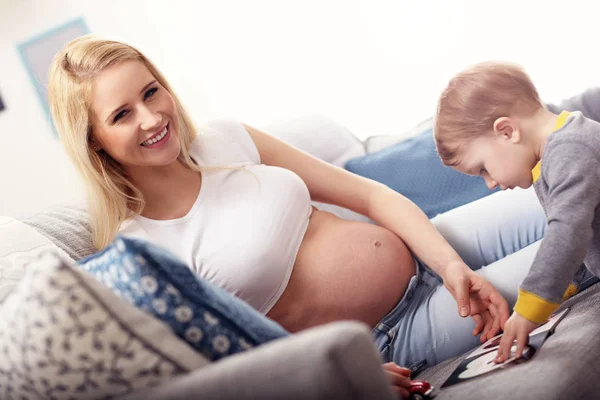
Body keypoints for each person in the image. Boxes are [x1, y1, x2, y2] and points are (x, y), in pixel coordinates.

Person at [48, 36, 546, 396]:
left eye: (151, 92)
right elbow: (222, 372)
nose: (152, 118)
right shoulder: (142, 253)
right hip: (394, 332)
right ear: (94, 140)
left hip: (431, 254)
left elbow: (371, 196)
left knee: (559, 196)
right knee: (570, 256)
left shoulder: (225, 138)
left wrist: (450, 266)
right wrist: (335, 382)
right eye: (122, 114)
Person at [433, 61, 600, 364]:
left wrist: (528, 309)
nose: (491, 183)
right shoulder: (551, 156)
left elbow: (568, 232)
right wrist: (567, 285)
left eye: (483, 169)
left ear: (507, 131)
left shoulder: (572, 149)